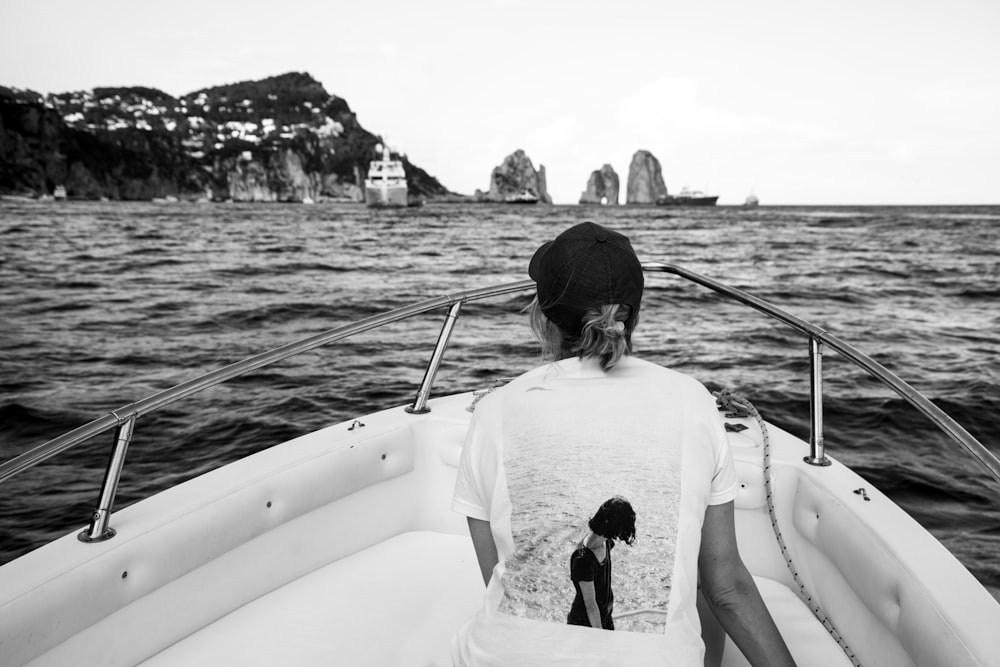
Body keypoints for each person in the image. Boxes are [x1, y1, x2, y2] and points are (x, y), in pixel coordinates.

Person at [451, 221, 795, 666]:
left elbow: (499, 578)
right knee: (694, 579)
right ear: (632, 316)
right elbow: (726, 589)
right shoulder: (693, 400)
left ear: (544, 318)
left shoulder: (495, 409)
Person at [567, 496, 636, 631]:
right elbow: (590, 605)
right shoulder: (583, 560)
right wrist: (599, 635)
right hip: (585, 625)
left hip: (604, 617)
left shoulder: (606, 542)